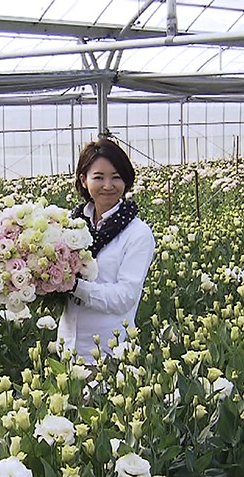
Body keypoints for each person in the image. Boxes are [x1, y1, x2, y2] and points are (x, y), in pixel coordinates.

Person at [58, 138, 156, 364]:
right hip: (67, 349)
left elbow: (125, 297)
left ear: (127, 181)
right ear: (84, 180)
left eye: (116, 177)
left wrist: (75, 286)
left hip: (108, 355)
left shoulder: (137, 233)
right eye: (98, 177)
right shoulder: (69, 226)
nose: (108, 186)